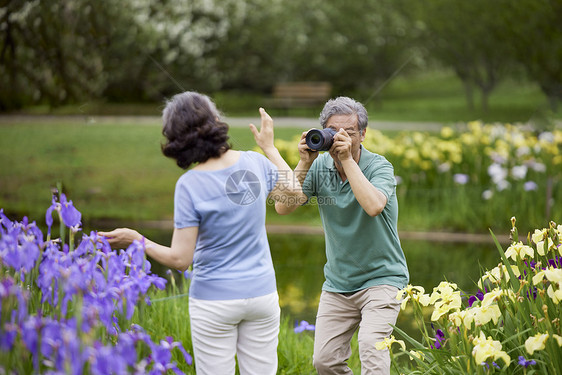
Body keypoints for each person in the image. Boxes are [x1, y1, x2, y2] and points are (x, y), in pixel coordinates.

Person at [99, 91, 305, 375]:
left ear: (177, 140)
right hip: (261, 296)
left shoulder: (190, 185)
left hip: (214, 301)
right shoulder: (253, 162)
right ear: (217, 122)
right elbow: (295, 195)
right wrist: (269, 147)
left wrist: (136, 239)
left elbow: (180, 260)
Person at [276, 96, 409, 375]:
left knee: (372, 350)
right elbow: (282, 207)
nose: (340, 138)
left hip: (382, 278)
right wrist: (304, 163)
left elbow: (373, 206)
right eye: (333, 131)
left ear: (363, 134)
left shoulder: (379, 167)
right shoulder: (319, 167)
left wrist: (347, 159)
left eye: (348, 132)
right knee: (325, 362)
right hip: (338, 283)